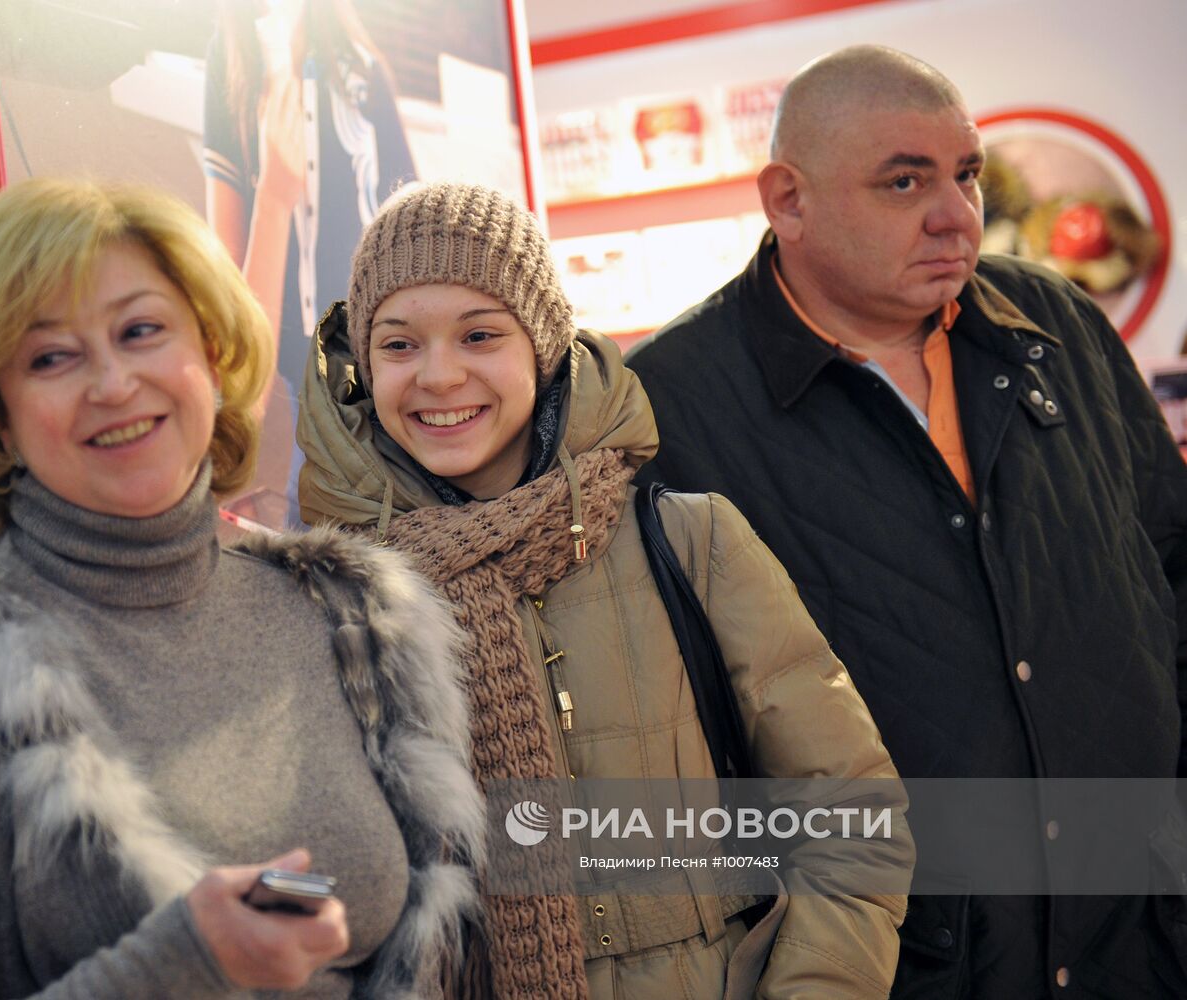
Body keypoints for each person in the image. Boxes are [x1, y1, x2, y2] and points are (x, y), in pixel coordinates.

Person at [0, 177, 481, 998]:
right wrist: (182, 963)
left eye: (141, 330)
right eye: (50, 357)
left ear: (211, 353)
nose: (114, 383)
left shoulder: (340, 616)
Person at [626, 44, 1187, 998]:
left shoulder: (1055, 323)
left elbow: (1170, 568)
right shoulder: (670, 405)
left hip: (1138, 942)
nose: (953, 214)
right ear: (788, 201)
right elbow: (669, 741)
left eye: (966, 174)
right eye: (903, 180)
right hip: (898, 963)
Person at [296, 181, 913, 999]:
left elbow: (849, 808)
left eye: (480, 335)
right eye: (399, 345)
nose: (439, 376)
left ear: (544, 344)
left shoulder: (691, 541)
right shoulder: (334, 599)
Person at [204, 0, 416, 528]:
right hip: (292, 369)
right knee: (316, 540)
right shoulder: (233, 60)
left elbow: (412, 227)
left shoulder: (360, 68)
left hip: (374, 364)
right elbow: (224, 265)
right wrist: (275, 192)